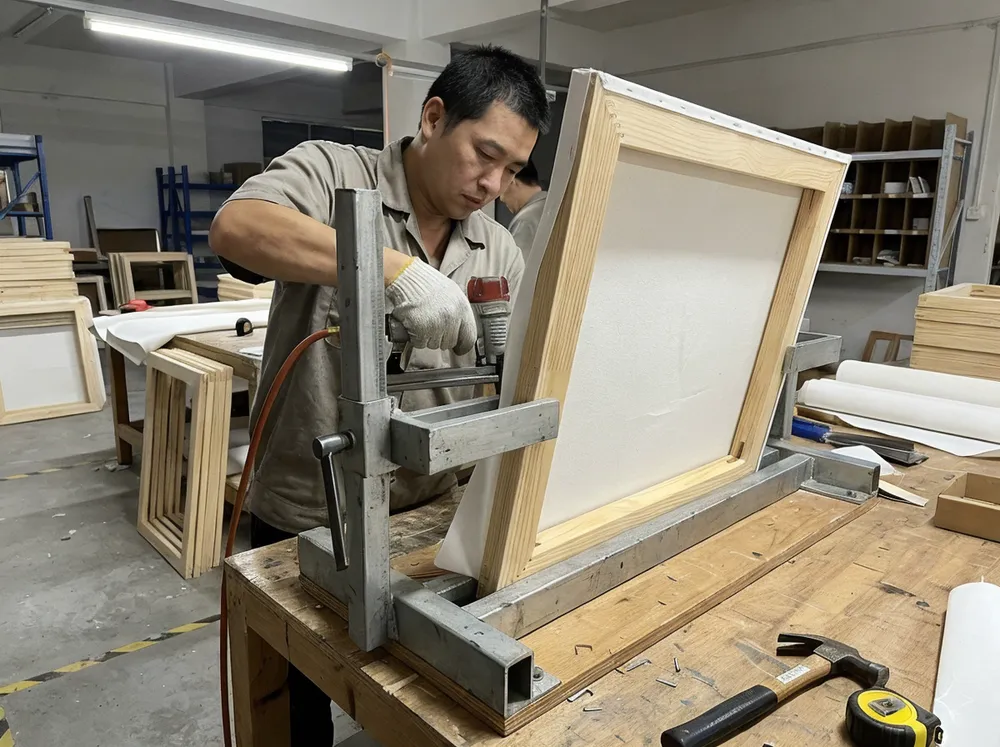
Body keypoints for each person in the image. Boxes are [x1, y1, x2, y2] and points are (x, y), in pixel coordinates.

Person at [209, 45, 549, 746]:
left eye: (512, 170)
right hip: (312, 510)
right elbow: (236, 229)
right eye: (484, 155)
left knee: (422, 696)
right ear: (434, 118)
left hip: (433, 512)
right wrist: (391, 269)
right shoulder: (332, 172)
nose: (492, 183)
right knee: (294, 706)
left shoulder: (498, 247)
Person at [500, 158, 547, 258]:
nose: (501, 199)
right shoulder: (552, 206)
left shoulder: (526, 220)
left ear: (512, 182)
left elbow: (519, 265)